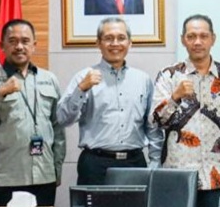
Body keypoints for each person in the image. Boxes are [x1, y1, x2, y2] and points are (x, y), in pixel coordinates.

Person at [152, 15, 220, 207]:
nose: (197, 42)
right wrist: (175, 97)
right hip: (178, 177)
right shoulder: (169, 75)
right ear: (183, 40)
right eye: (191, 36)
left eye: (203, 36)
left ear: (213, 39)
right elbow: (156, 121)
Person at [0, 19, 65, 207]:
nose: (19, 46)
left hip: (44, 175)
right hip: (6, 177)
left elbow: (58, 128)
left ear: (34, 45)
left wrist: (56, 169)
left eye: (25, 41)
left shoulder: (49, 79)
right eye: (12, 41)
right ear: (2, 46)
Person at [57, 17, 163, 185]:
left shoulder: (143, 80)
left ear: (130, 43)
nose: (115, 43)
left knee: (135, 205)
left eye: (121, 38)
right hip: (95, 165)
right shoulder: (84, 77)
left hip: (134, 163)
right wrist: (81, 89)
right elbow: (63, 119)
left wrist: (155, 161)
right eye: (108, 38)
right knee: (94, 205)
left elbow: (152, 125)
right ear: (98, 43)